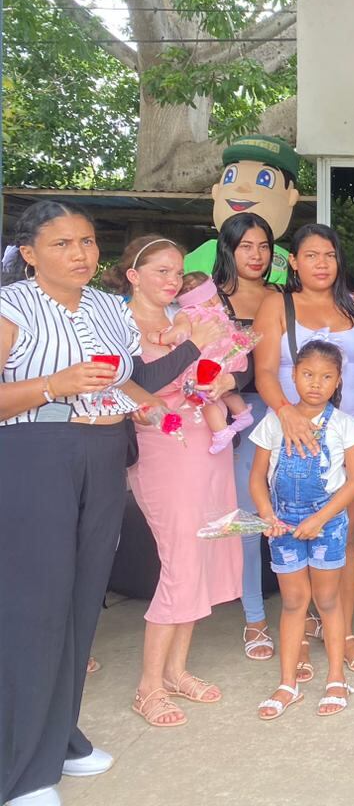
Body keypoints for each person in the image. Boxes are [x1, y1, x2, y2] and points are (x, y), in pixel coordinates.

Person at [0, 203, 203, 806]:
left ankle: (60, 737)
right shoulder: (13, 306)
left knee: (84, 599)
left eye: (87, 242)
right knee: (37, 607)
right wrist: (52, 385)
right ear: (31, 253)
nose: (81, 253)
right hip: (37, 451)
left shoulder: (109, 310)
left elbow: (123, 380)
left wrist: (155, 407)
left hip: (102, 449)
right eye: (63, 244)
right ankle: (23, 772)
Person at [108, 236, 242, 728]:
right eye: (160, 271)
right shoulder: (119, 324)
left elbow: (222, 368)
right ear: (133, 275)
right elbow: (140, 377)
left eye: (176, 272)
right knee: (180, 559)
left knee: (204, 552)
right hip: (162, 449)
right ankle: (148, 686)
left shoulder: (180, 319)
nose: (171, 280)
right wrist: (192, 344)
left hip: (205, 445)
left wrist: (224, 380)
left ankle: (177, 671)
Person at [255, 224, 354, 681]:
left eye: (329, 255)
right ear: (294, 261)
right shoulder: (278, 304)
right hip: (295, 435)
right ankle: (303, 631)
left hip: (349, 436)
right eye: (311, 255)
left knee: (342, 539)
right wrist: (286, 413)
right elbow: (265, 369)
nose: (322, 263)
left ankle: (341, 632)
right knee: (296, 533)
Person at [249, 339, 354, 719]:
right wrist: (267, 513)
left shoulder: (345, 426)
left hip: (328, 524)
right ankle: (288, 684)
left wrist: (319, 519)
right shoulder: (274, 421)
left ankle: (336, 678)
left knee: (328, 601)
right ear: (293, 376)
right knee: (293, 602)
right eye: (307, 374)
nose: (316, 383)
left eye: (326, 377)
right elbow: (256, 478)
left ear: (338, 383)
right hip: (283, 525)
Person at [211, 212, 280, 663]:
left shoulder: (282, 296)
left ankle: (303, 605)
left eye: (263, 247)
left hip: (287, 411)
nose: (256, 256)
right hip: (241, 418)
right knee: (250, 521)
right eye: (246, 247)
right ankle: (254, 617)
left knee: (294, 511)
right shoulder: (210, 300)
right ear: (229, 251)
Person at [184, 134, 301, 284]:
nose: (242, 188)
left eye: (265, 179)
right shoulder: (204, 253)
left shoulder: (285, 263)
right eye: (230, 176)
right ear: (216, 191)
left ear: (291, 197)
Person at [161, 272, 255, 453]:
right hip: (228, 358)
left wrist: (161, 337)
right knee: (225, 388)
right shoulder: (221, 312)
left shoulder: (187, 313)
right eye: (211, 299)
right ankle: (242, 413)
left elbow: (178, 331)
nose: (213, 302)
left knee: (204, 397)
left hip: (206, 361)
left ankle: (221, 431)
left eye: (213, 298)